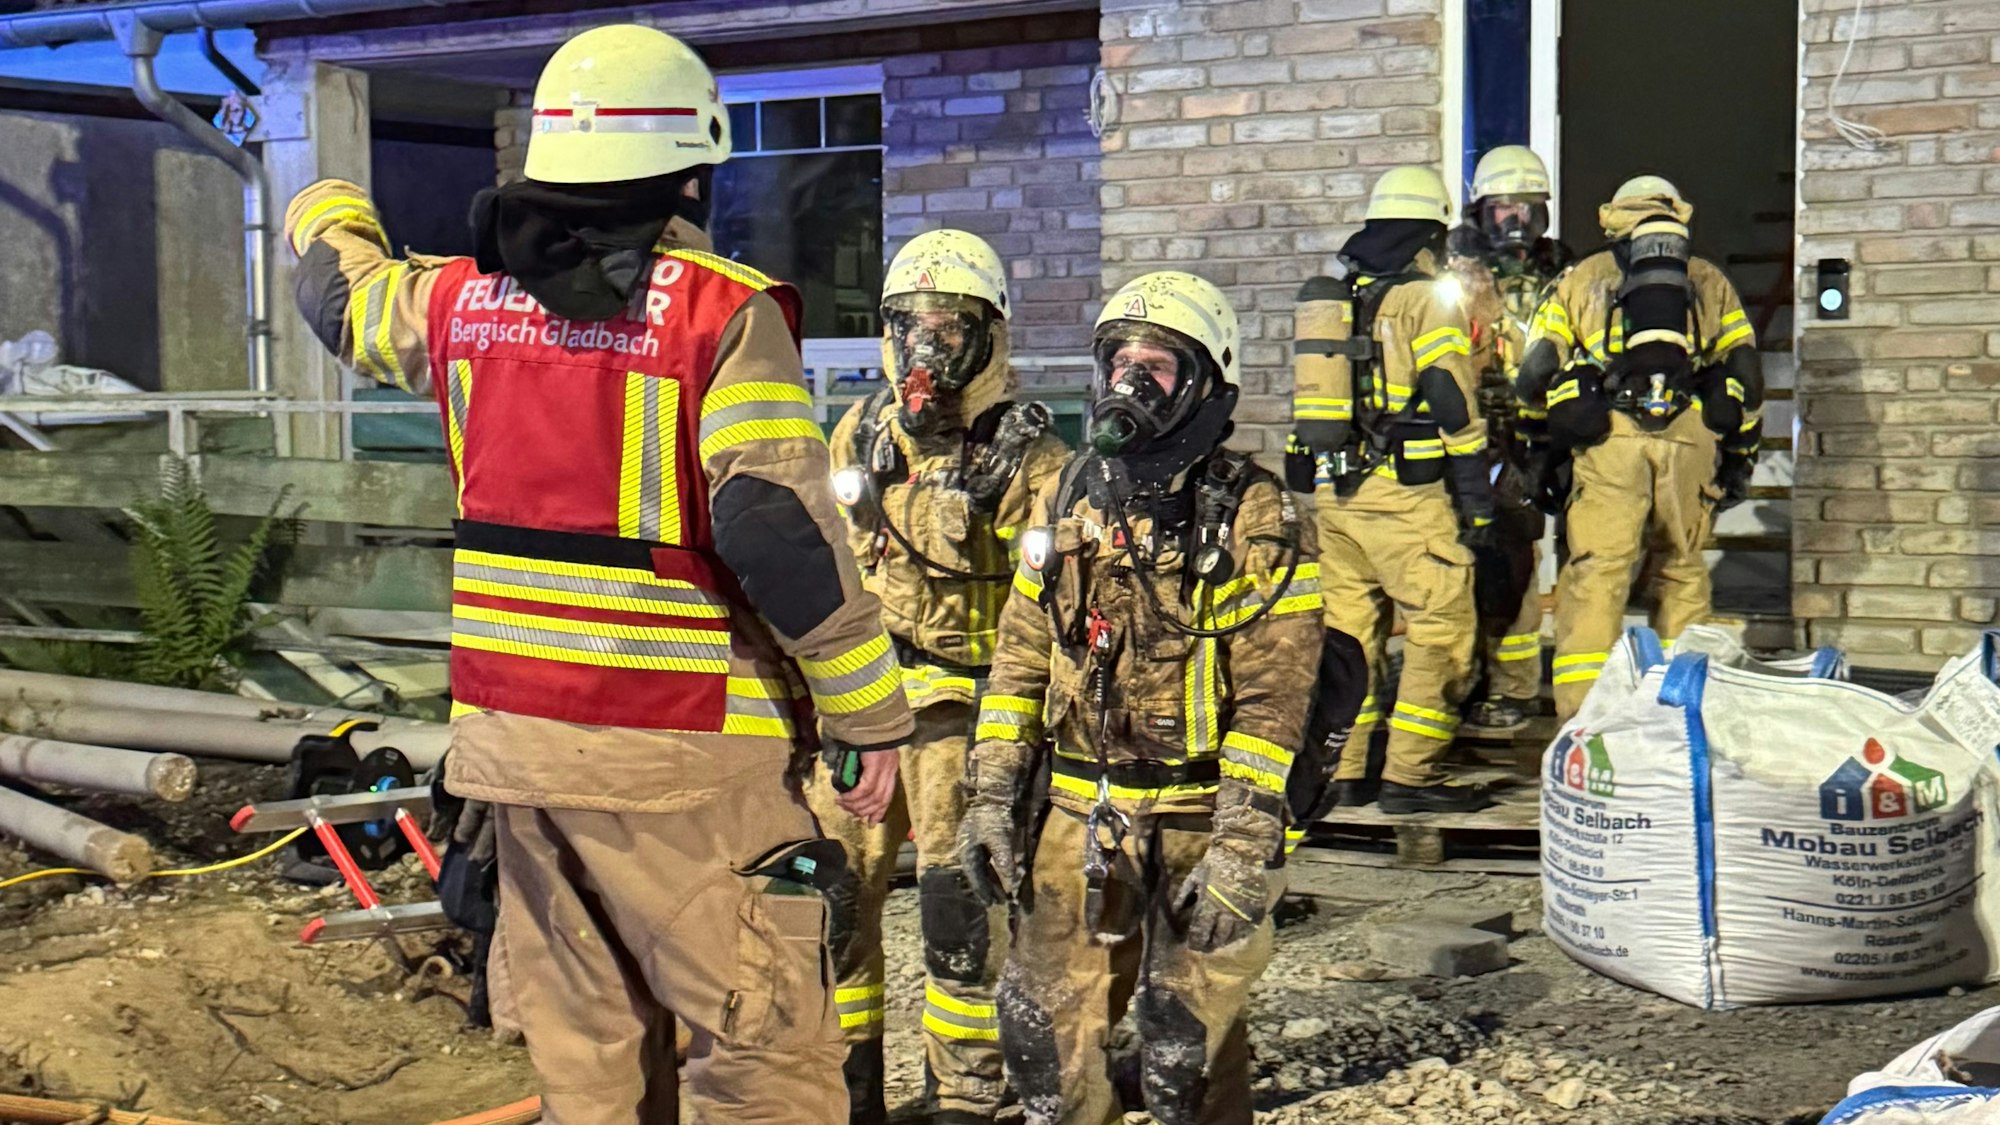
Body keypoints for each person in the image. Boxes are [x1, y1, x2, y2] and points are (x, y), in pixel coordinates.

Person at [282, 25, 914, 1124]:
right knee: (760, 1048)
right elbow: (770, 525)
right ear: (690, 170)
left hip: (515, 752)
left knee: (587, 1064)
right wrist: (866, 711)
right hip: (685, 752)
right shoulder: (722, 313)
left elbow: (339, 299)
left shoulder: (458, 302)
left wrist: (323, 205)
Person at [959, 271, 1322, 1125]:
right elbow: (1021, 652)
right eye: (1119, 363)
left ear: (1203, 384)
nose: (1130, 383)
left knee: (1181, 1051)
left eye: (1155, 368)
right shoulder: (1071, 492)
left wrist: (1242, 850)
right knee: (1041, 1035)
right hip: (1079, 810)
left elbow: (1275, 698)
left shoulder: (1254, 514)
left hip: (1199, 819)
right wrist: (991, 797)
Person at [813, 229, 1070, 1124]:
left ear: (988, 334)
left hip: (964, 707)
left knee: (957, 911)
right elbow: (834, 567)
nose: (928, 346)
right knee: (834, 899)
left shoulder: (1029, 457)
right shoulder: (860, 432)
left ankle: (962, 1091)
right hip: (868, 702)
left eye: (950, 327)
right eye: (912, 325)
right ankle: (847, 1087)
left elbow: (1046, 611)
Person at [1287, 166, 1497, 815]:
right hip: (1404, 497)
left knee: (1350, 633)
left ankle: (1346, 772)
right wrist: (1476, 494)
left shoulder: (1338, 298)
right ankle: (1410, 775)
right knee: (1443, 625)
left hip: (1335, 496)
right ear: (1429, 234)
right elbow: (1449, 396)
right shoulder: (1427, 298)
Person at [1515, 174, 1761, 723]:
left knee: (1598, 576)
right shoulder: (1708, 279)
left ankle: (1584, 724)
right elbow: (1747, 373)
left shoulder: (1582, 278)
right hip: (1690, 435)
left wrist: (1539, 450)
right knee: (1681, 571)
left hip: (1610, 439)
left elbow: (1535, 373)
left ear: (1614, 217)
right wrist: (1741, 455)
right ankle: (1680, 718)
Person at [1444, 145, 1574, 737]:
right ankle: (1457, 681)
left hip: (1529, 438)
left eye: (1527, 207)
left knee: (1518, 563)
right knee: (1455, 563)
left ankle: (1514, 687)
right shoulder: (1453, 269)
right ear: (1481, 210)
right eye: (1503, 207)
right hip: (1465, 435)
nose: (1516, 219)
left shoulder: (1563, 273)